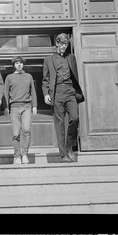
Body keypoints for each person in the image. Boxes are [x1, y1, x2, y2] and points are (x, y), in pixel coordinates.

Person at [42, 33, 84, 163]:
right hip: (57, 93)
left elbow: (75, 75)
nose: (64, 47)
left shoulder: (71, 58)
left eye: (66, 44)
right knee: (59, 124)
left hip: (70, 91)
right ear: (57, 44)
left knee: (75, 118)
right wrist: (46, 94)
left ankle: (69, 147)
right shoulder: (48, 60)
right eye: (61, 44)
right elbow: (45, 80)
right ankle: (63, 154)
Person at [4, 56, 37, 165]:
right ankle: (17, 155)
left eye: (21, 63)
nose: (19, 65)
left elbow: (33, 91)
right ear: (14, 65)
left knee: (26, 130)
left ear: (23, 65)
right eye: (17, 63)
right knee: (16, 133)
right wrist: (6, 107)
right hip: (14, 107)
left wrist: (34, 106)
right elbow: (5, 93)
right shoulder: (9, 77)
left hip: (26, 106)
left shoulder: (29, 76)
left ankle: (25, 154)